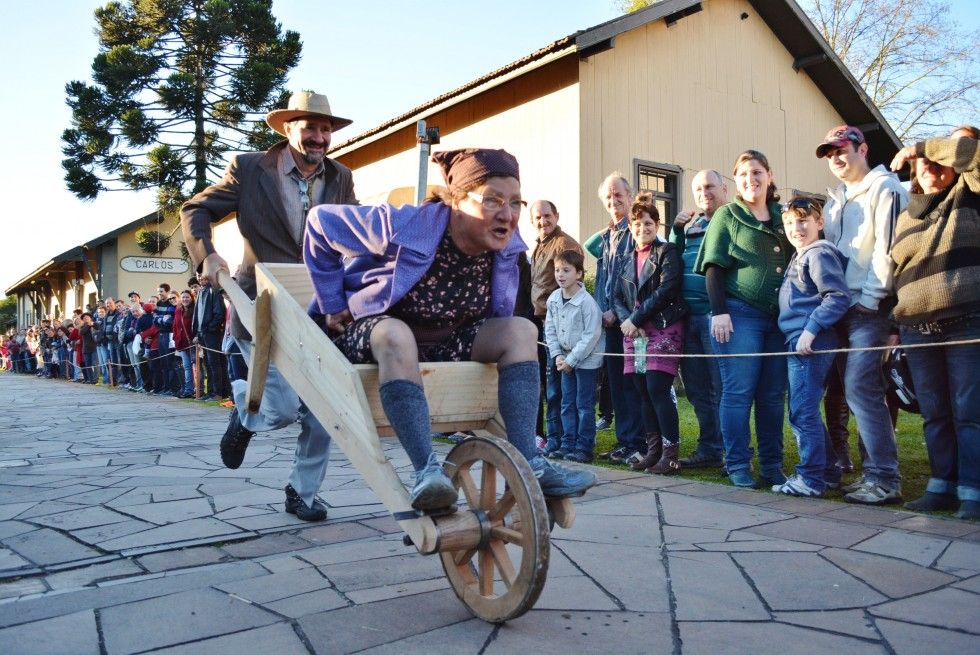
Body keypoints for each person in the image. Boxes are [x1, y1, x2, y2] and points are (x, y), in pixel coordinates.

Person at [305, 147, 596, 512]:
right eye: (492, 200)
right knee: (396, 334)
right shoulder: (403, 223)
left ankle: (530, 463)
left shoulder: (507, 249)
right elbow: (319, 222)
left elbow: (500, 316)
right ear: (457, 200)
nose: (507, 215)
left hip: (446, 342)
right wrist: (332, 302)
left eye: (516, 203)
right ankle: (427, 471)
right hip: (373, 335)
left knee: (521, 330)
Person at [181, 90, 357, 522]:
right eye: (309, 127)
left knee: (324, 408)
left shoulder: (340, 178)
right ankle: (245, 410)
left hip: (320, 308)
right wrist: (207, 256)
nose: (318, 136)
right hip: (259, 304)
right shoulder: (249, 168)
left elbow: (356, 228)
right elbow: (195, 209)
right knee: (278, 410)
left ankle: (303, 492)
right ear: (288, 129)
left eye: (324, 129)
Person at [890, 134, 980, 520]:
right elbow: (896, 270)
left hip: (965, 321)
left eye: (933, 161)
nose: (925, 167)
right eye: (919, 165)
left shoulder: (970, 193)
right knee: (935, 412)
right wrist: (894, 324)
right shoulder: (906, 214)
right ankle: (941, 486)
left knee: (969, 410)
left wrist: (921, 147)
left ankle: (973, 491)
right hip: (916, 328)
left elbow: (974, 156)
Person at [817, 125, 908, 505]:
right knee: (854, 391)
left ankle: (885, 479)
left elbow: (887, 249)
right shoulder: (835, 200)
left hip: (867, 308)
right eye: (830, 153)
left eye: (843, 150)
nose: (837, 158)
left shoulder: (886, 189)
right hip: (840, 307)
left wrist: (871, 301)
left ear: (862, 149)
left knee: (862, 389)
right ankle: (874, 474)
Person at [695, 149, 792, 488]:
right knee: (738, 393)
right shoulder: (728, 215)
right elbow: (712, 267)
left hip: (779, 320)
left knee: (771, 396)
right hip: (739, 316)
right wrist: (719, 311)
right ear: (736, 182)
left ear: (770, 175)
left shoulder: (785, 215)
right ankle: (737, 465)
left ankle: (771, 466)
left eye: (757, 172)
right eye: (744, 174)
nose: (751, 179)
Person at [774, 197, 850, 497]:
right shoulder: (800, 254)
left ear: (820, 223)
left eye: (803, 220)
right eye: (790, 222)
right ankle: (828, 472)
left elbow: (837, 296)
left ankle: (810, 478)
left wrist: (811, 330)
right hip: (798, 339)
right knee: (804, 410)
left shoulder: (818, 254)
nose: (797, 228)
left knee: (803, 411)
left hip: (810, 342)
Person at [614, 193, 688, 474]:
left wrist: (635, 318)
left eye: (648, 223)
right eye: (637, 224)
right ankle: (653, 452)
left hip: (663, 326)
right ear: (630, 228)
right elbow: (616, 297)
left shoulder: (666, 252)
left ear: (657, 225)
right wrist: (627, 322)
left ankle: (671, 455)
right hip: (634, 332)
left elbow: (667, 288)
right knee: (642, 391)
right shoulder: (626, 259)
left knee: (658, 388)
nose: (642, 229)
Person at [583, 173, 645, 464]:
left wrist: (617, 312)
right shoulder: (608, 235)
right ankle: (624, 441)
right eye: (608, 196)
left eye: (618, 194)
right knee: (617, 385)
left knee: (635, 385)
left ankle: (639, 442)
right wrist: (599, 310)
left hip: (631, 321)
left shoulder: (636, 230)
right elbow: (604, 277)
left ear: (630, 196)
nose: (613, 200)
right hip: (609, 322)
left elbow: (632, 277)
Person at [670, 169, 727, 469]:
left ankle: (730, 449)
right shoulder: (693, 225)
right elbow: (672, 257)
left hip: (714, 317)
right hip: (688, 317)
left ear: (724, 189)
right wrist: (676, 231)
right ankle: (709, 447)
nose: (704, 193)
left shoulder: (731, 219)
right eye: (698, 189)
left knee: (721, 388)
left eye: (710, 186)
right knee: (696, 388)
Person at [529, 200, 583, 454]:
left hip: (559, 324)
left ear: (557, 215)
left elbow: (572, 282)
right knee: (549, 385)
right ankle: (554, 437)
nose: (543, 221)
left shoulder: (564, 243)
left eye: (547, 216)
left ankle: (562, 439)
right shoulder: (540, 245)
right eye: (538, 217)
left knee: (559, 387)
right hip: (541, 323)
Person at [544, 249, 603, 463]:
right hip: (564, 361)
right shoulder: (553, 299)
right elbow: (549, 329)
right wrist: (557, 355)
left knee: (583, 404)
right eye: (557, 270)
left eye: (566, 270)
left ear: (578, 274)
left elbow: (591, 335)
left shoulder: (587, 303)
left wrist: (571, 360)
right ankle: (567, 443)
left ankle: (584, 446)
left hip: (585, 361)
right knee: (567, 402)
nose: (560, 275)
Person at [192, 270, 230, 400]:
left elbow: (219, 313)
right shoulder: (201, 292)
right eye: (198, 275)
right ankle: (211, 392)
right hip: (203, 333)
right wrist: (198, 332)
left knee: (215, 363)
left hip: (212, 333)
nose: (200, 277)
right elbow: (197, 315)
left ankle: (219, 392)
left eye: (202, 274)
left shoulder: (214, 290)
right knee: (208, 363)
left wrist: (210, 328)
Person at [173, 290, 196, 398]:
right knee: (187, 367)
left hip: (192, 342)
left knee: (197, 367)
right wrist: (175, 338)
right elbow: (175, 326)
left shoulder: (195, 309)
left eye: (187, 297)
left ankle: (199, 390)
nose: (185, 299)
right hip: (181, 343)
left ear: (191, 298)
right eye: (183, 297)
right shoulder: (178, 310)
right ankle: (188, 390)